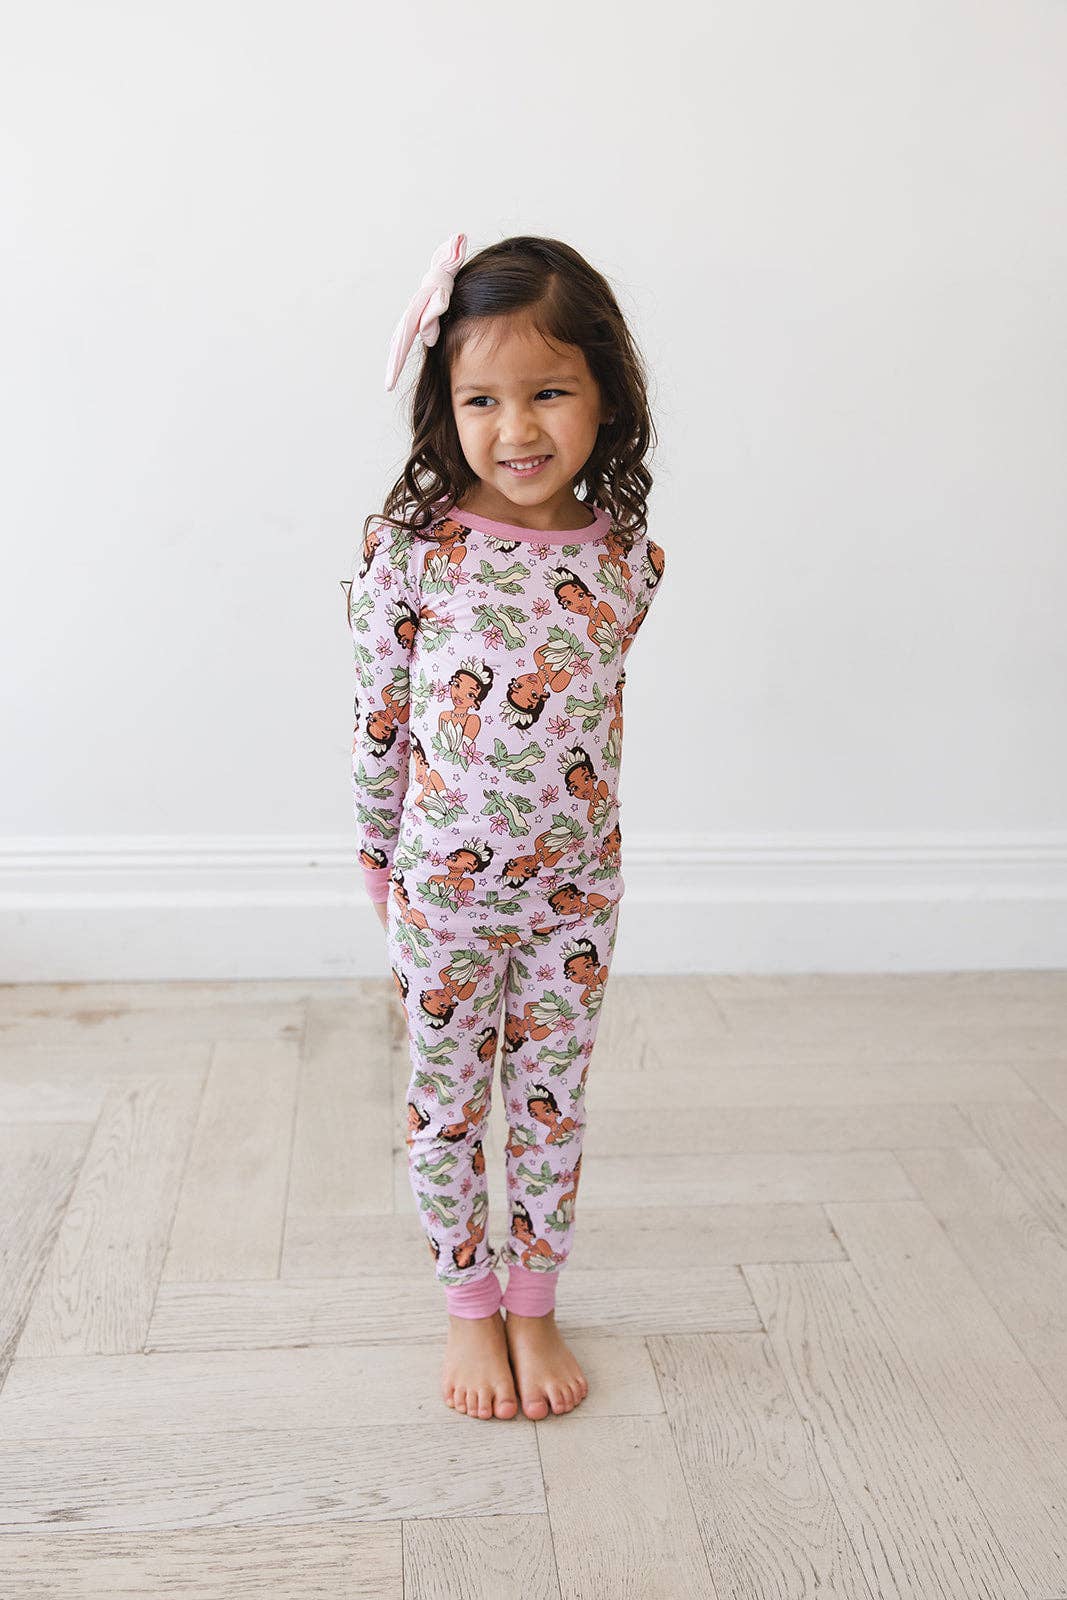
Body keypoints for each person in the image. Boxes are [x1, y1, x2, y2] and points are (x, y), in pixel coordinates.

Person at [342, 231, 666, 1423]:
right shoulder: (412, 552)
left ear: (604, 396)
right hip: (444, 894)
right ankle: (467, 1303)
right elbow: (378, 721)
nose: (515, 427)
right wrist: (380, 862)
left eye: (547, 392)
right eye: (481, 398)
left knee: (548, 1101)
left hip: (575, 897)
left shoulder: (625, 557)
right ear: (444, 406)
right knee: (445, 1104)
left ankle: (533, 1298)